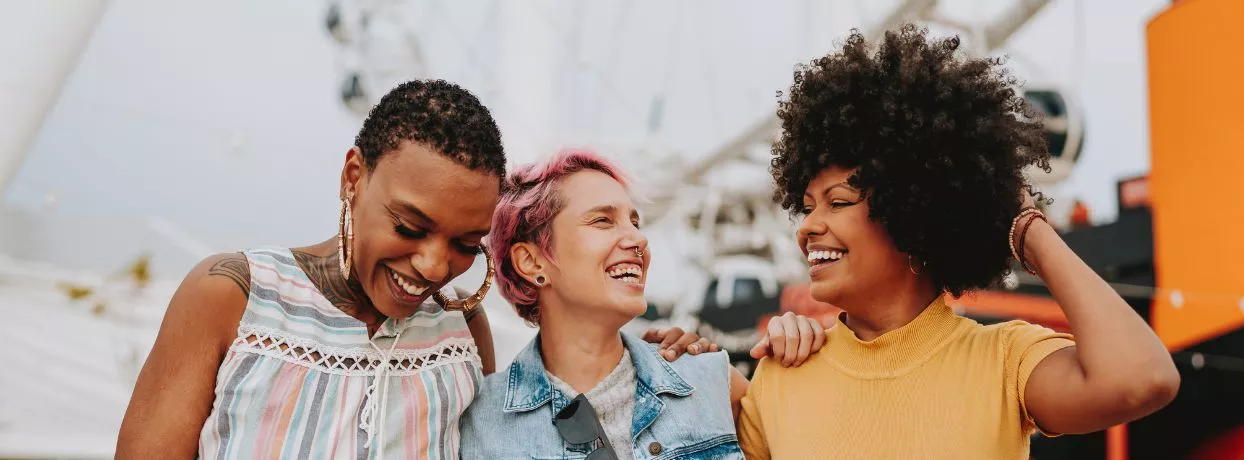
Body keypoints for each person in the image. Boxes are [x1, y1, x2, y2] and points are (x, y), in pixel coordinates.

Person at [115, 80, 717, 459]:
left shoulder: (460, 330)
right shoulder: (232, 295)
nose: (433, 265)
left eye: (463, 243)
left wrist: (662, 359)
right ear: (354, 177)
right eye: (409, 226)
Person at [736, 25, 1180, 459]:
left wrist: (1027, 228)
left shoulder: (1005, 361)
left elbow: (1141, 380)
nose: (808, 226)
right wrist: (676, 351)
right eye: (808, 205)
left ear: (911, 213)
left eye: (837, 202)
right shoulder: (782, 374)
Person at [459, 149, 827, 459]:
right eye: (603, 221)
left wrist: (804, 351)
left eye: (634, 222)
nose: (637, 238)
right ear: (532, 262)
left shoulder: (711, 379)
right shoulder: (479, 424)